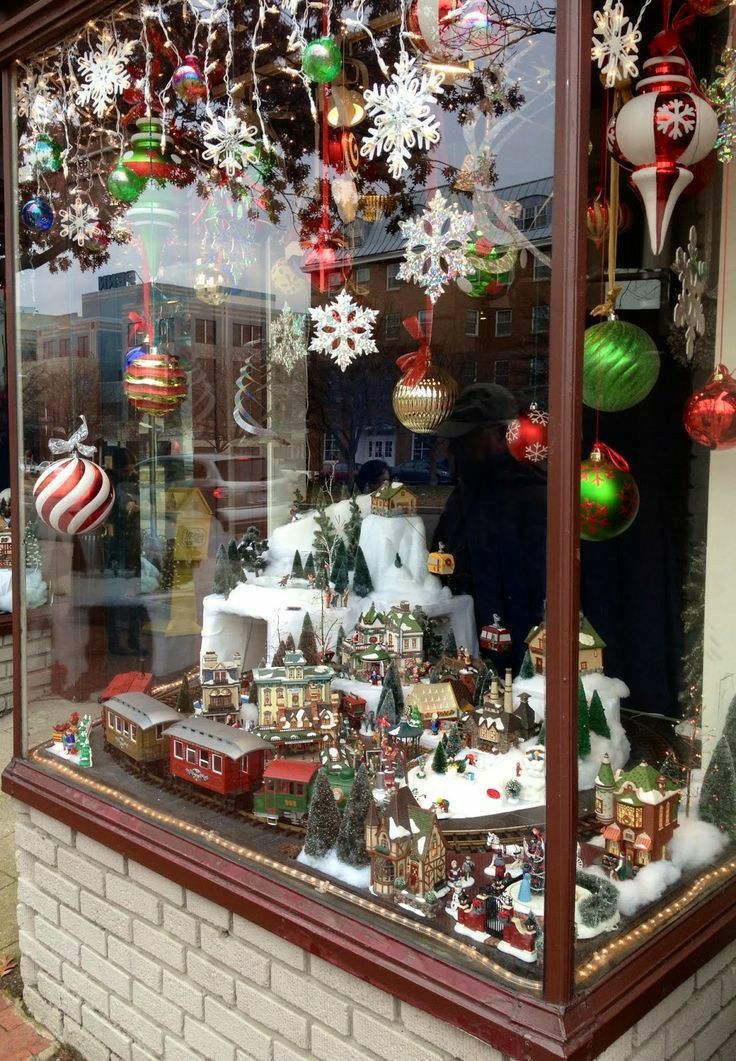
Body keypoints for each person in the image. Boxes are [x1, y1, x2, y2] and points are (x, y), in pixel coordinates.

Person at [433, 383, 546, 672]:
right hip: (469, 634)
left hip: (515, 648)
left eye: (466, 439)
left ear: (499, 435)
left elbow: (535, 587)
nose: (451, 451)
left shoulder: (529, 495)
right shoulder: (466, 493)